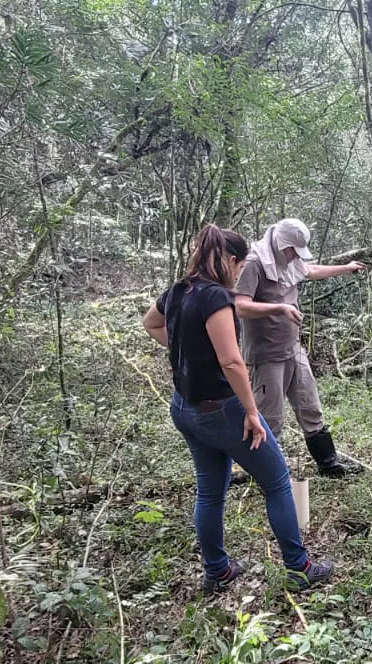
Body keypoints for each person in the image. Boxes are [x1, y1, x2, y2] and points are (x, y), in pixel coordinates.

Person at [142, 224, 334, 594]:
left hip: (185, 408)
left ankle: (217, 571)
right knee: (277, 481)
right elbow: (232, 362)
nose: (239, 271)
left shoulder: (179, 291)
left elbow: (150, 323)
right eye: (239, 264)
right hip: (222, 410)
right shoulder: (217, 298)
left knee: (210, 490)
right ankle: (299, 568)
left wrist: (186, 348)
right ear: (230, 260)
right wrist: (250, 411)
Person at [234, 218, 364, 478]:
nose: (295, 256)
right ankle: (264, 473)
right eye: (292, 250)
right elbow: (240, 305)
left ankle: (329, 465)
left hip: (293, 348)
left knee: (310, 405)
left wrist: (346, 268)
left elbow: (311, 271)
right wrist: (279, 308)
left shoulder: (289, 260)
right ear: (281, 245)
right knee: (270, 419)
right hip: (266, 354)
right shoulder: (254, 263)